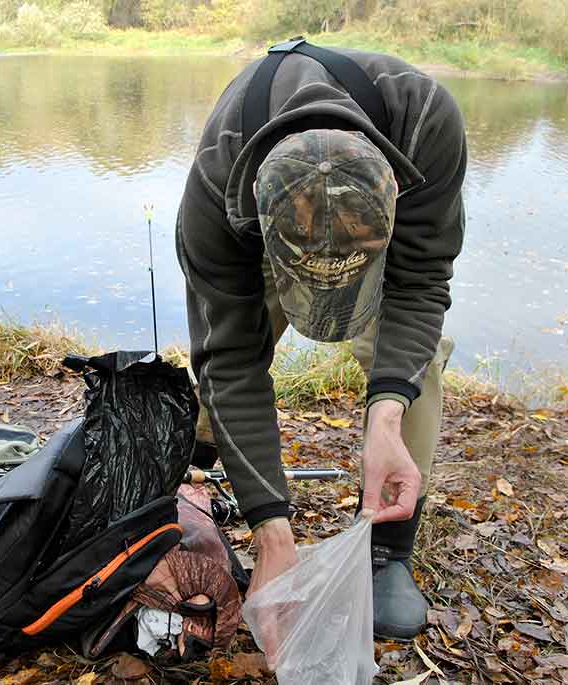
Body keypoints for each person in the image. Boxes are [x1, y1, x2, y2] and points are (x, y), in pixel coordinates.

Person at [175, 40, 466, 643]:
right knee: (225, 367)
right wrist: (272, 535)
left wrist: (386, 414)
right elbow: (230, 356)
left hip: (387, 229)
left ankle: (387, 547)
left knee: (418, 366)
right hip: (255, 231)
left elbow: (420, 283)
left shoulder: (425, 124)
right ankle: (194, 468)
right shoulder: (216, 187)